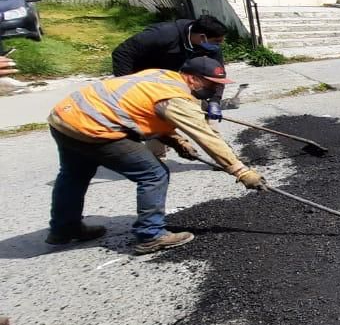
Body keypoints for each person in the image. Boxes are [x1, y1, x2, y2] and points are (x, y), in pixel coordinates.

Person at [47, 56, 265, 254]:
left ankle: (64, 228)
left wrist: (174, 139)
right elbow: (207, 137)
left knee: (74, 174)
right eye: (210, 83)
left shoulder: (163, 76)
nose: (215, 88)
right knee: (153, 173)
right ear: (191, 78)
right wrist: (241, 171)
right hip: (94, 126)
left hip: (65, 118)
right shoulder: (176, 98)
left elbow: (143, 109)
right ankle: (151, 235)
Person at [111, 14, 227, 77]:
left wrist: (215, 101)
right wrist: (126, 83)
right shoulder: (163, 34)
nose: (219, 45)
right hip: (141, 74)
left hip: (168, 75)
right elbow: (122, 53)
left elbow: (218, 73)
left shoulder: (210, 45)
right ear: (202, 37)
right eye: (217, 41)